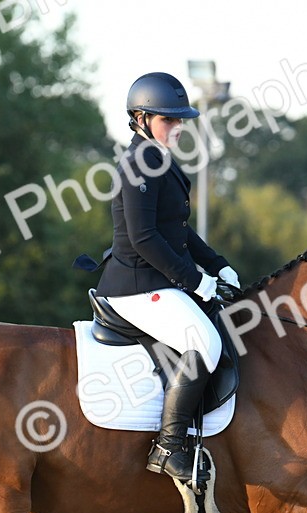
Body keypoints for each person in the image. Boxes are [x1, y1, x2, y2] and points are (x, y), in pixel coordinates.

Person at [95, 71, 240, 485]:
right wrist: (195, 280)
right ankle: (169, 446)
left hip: (155, 280)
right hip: (136, 285)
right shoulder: (139, 163)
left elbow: (177, 229)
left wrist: (217, 263)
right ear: (140, 118)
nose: (177, 127)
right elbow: (144, 239)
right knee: (205, 342)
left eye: (179, 120)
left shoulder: (158, 159)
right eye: (168, 120)